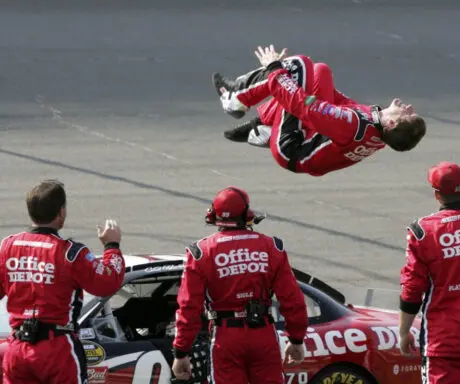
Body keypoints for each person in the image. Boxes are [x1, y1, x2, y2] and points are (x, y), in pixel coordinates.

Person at [212, 45, 426, 177]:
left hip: (292, 147)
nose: (408, 107)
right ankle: (261, 126)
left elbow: (303, 107)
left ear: (391, 124)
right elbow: (337, 102)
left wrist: (275, 68)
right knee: (319, 71)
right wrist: (298, 82)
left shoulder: (354, 125)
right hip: (309, 145)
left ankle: (235, 98)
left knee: (297, 64)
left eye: (408, 113)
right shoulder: (379, 132)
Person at [172, 186, 308, 384]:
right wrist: (296, 340)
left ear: (214, 215)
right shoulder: (272, 247)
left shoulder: (201, 252)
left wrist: (181, 351)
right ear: (246, 214)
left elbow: (189, 307)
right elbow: (293, 299)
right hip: (263, 334)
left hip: (226, 337)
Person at [0, 179, 126, 384]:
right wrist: (112, 245)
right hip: (56, 350)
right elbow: (108, 282)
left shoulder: (7, 246)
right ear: (61, 213)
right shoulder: (71, 253)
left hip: (18, 349)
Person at [399, 161, 460, 384]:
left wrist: (404, 331)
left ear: (436, 194)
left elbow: (412, 287)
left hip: (443, 341)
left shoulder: (423, 231)